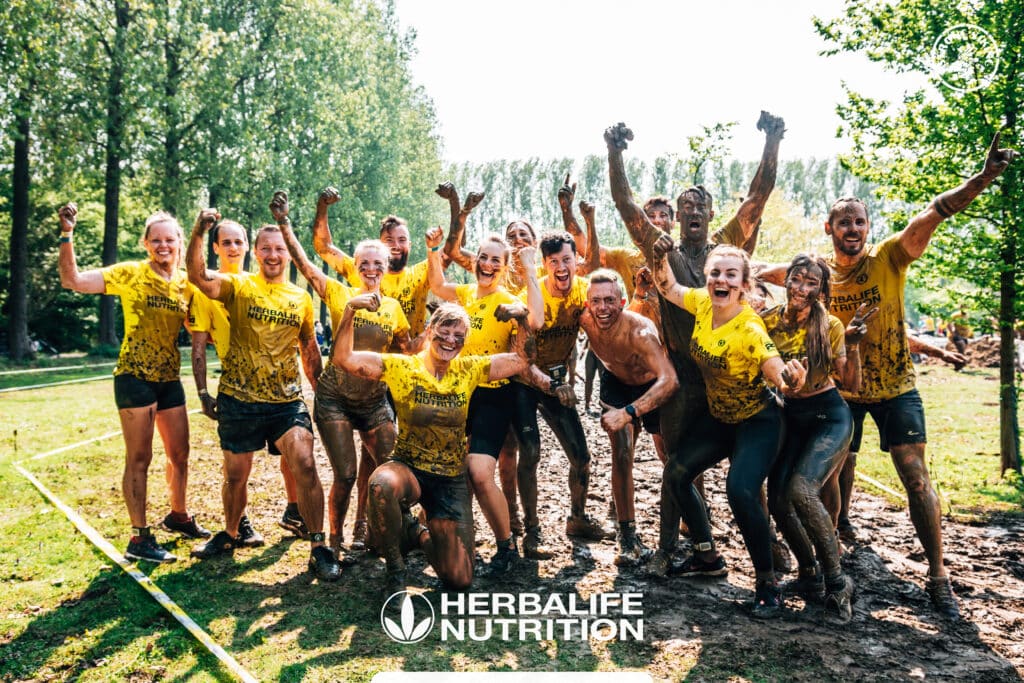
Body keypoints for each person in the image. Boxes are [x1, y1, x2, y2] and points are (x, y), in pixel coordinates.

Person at [767, 133, 1016, 620]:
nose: (853, 228)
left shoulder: (890, 258)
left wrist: (983, 178)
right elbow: (750, 269)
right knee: (833, 477)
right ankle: (833, 550)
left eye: (860, 221)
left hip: (897, 387)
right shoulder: (817, 274)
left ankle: (939, 573)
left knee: (915, 478)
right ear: (829, 228)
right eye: (844, 222)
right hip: (843, 394)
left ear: (868, 227)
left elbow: (934, 213)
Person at [605, 113, 785, 572]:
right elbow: (626, 205)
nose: (692, 212)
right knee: (677, 469)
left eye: (699, 206)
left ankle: (767, 545)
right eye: (685, 207)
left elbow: (757, 198)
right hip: (684, 376)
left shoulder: (725, 248)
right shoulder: (659, 249)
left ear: (709, 212)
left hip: (733, 376)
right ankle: (674, 549)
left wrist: (772, 140)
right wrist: (615, 152)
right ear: (678, 216)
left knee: (748, 474)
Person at [185, 197, 341, 581]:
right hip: (239, 398)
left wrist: (318, 387)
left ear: (288, 253)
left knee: (304, 461)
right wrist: (198, 233)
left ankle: (319, 545)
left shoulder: (300, 298)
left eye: (280, 249)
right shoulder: (239, 285)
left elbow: (307, 347)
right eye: (266, 249)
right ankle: (231, 532)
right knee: (235, 477)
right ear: (256, 253)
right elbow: (197, 277)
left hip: (286, 401)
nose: (273, 255)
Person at [332, 299, 532, 595]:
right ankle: (396, 572)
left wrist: (523, 322)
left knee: (461, 580)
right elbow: (344, 358)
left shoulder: (469, 369)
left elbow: (522, 361)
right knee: (381, 485)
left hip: (450, 481)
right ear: (429, 331)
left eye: (459, 336)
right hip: (409, 468)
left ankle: (417, 533)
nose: (450, 340)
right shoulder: (402, 367)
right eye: (444, 331)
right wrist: (349, 310)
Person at [651, 243, 806, 617]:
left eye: (730, 275)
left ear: (743, 283)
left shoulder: (749, 327)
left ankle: (767, 584)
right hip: (721, 417)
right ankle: (706, 557)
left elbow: (774, 368)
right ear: (707, 277)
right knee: (676, 473)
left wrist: (790, 381)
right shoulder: (704, 302)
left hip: (758, 420)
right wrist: (658, 259)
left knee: (740, 490)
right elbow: (670, 289)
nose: (721, 280)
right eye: (715, 273)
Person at [58, 203, 206, 563]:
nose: (163, 246)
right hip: (134, 376)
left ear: (179, 242)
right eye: (155, 240)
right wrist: (67, 234)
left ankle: (178, 515)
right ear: (145, 243)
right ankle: (139, 538)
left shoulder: (187, 283)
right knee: (140, 457)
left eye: (169, 240)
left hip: (169, 378)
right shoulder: (130, 273)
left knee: (181, 454)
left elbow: (201, 325)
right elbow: (72, 281)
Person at [276, 192, 413, 555]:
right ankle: (333, 543)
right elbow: (305, 264)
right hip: (335, 398)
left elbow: (407, 351)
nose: (371, 270)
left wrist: (434, 332)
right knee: (348, 474)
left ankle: (372, 532)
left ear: (386, 269)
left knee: (390, 470)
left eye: (377, 265)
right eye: (364, 264)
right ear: (355, 266)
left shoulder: (395, 308)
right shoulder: (339, 294)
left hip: (373, 401)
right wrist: (284, 225)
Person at [426, 223, 542, 573]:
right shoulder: (462, 294)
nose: (488, 265)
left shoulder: (508, 301)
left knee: (479, 472)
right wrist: (433, 250)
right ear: (475, 261)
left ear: (505, 267)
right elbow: (436, 285)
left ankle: (506, 546)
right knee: (443, 466)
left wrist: (532, 268)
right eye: (483, 258)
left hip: (493, 396)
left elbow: (534, 319)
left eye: (496, 261)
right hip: (458, 394)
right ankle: (437, 536)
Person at [761, 254, 868, 623]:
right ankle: (808, 573)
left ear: (822, 289)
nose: (802, 289)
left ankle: (838, 583)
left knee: (801, 490)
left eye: (811, 283)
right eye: (796, 279)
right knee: (777, 498)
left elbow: (851, 384)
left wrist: (852, 343)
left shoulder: (830, 326)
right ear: (785, 279)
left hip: (828, 416)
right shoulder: (768, 322)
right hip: (791, 417)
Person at [188, 218, 302, 547]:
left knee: (292, 455)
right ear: (215, 248)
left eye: (239, 242)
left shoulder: (260, 284)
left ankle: (294, 511)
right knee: (238, 466)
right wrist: (202, 391)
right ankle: (237, 525)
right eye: (227, 243)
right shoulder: (207, 289)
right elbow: (198, 343)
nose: (234, 248)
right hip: (239, 386)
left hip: (279, 387)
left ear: (247, 248)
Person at [580, 270, 679, 565]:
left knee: (672, 457)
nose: (602, 308)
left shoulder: (640, 333)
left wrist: (631, 412)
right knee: (622, 453)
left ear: (622, 302)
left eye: (609, 300)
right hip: (615, 381)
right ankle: (627, 536)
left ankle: (689, 524)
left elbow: (670, 380)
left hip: (653, 384)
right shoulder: (584, 320)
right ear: (587, 304)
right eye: (596, 301)